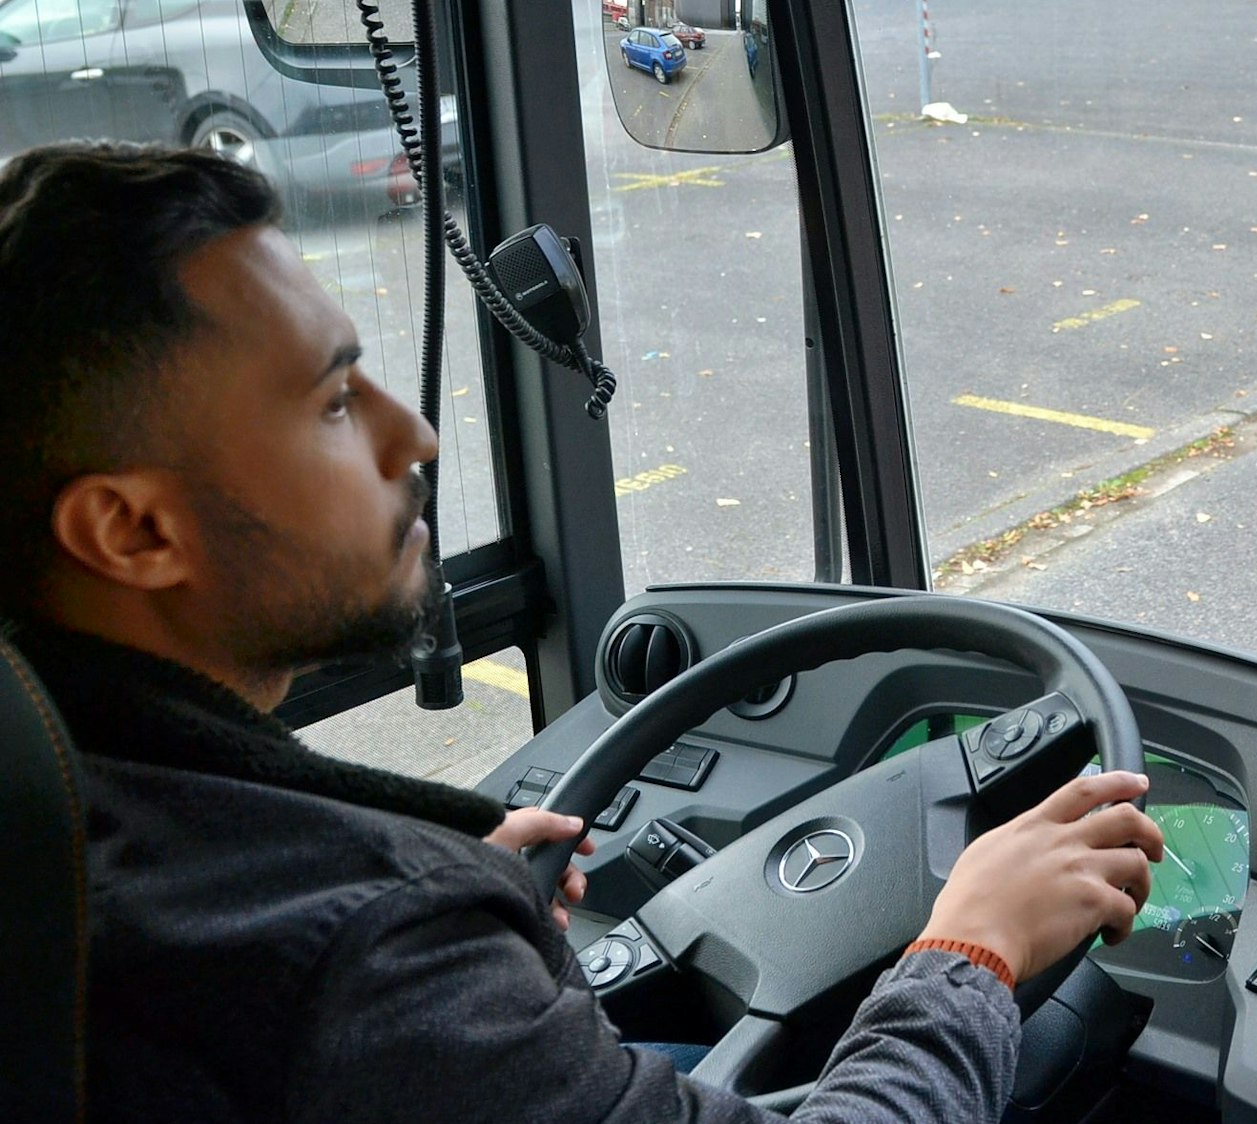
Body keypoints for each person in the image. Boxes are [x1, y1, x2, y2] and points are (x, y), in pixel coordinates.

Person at [0, 142, 1164, 1121]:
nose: (415, 438)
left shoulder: (73, 801)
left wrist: (474, 888)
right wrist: (970, 945)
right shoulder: (370, 959)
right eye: (336, 401)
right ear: (131, 530)